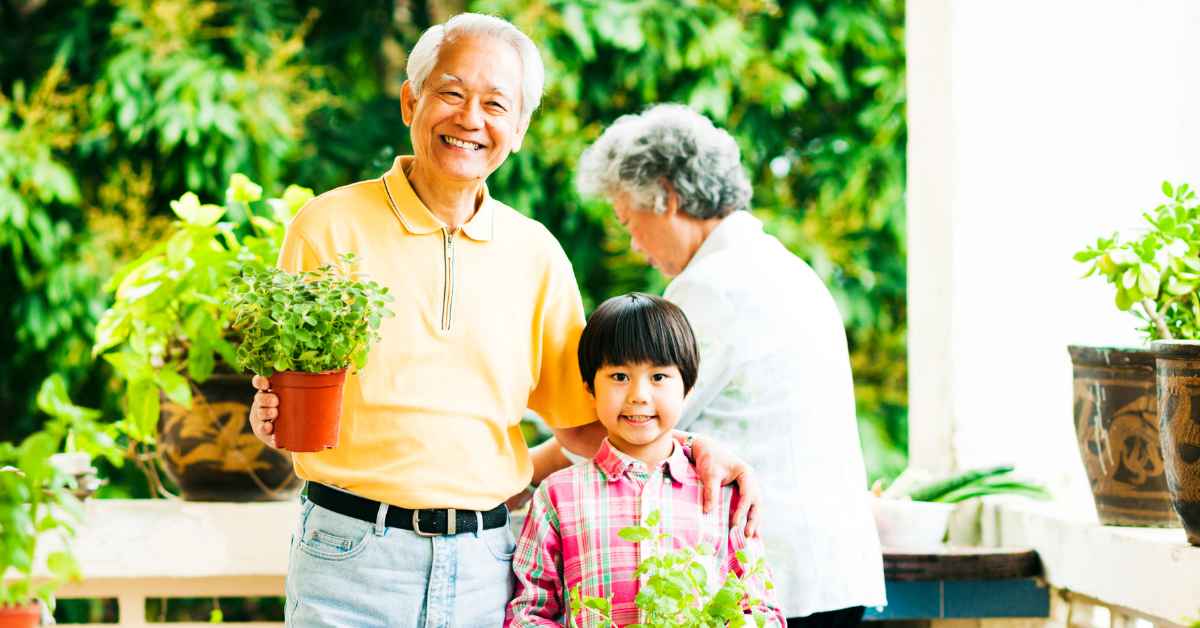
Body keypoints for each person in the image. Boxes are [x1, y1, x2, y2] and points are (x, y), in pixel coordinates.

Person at [245, 17, 759, 628]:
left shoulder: (536, 253)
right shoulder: (327, 225)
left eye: (495, 104)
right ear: (412, 99)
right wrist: (268, 417)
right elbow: (292, 401)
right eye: (452, 93)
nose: (470, 119)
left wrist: (692, 453)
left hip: (488, 565)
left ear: (517, 130)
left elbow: (586, 424)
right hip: (349, 556)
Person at [572, 104, 887, 627]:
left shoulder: (712, 285)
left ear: (667, 198)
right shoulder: (778, 265)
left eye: (630, 220)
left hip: (781, 576)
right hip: (826, 567)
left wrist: (522, 467)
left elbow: (633, 428)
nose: (633, 243)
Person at [506, 293, 785, 628]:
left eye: (658, 377)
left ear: (688, 388)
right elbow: (528, 612)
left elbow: (761, 609)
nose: (639, 394)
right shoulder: (558, 497)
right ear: (589, 388)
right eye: (619, 376)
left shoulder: (724, 493)